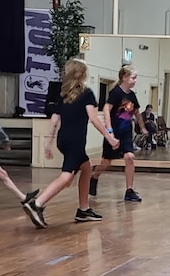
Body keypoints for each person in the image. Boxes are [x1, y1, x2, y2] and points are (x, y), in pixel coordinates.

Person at [22, 59, 120, 228]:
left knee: (86, 167)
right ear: (82, 74)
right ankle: (37, 204)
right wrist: (109, 137)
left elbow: (54, 119)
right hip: (75, 141)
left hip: (64, 139)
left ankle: (84, 209)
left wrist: (49, 142)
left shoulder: (63, 94)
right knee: (67, 176)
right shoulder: (87, 93)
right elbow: (94, 118)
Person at [89, 65, 149, 202]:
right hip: (114, 133)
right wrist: (109, 130)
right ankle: (95, 176)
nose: (135, 81)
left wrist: (142, 127)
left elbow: (137, 113)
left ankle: (129, 190)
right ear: (124, 77)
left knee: (129, 157)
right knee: (106, 162)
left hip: (126, 133)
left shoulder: (132, 95)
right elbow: (106, 109)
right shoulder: (116, 93)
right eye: (133, 78)